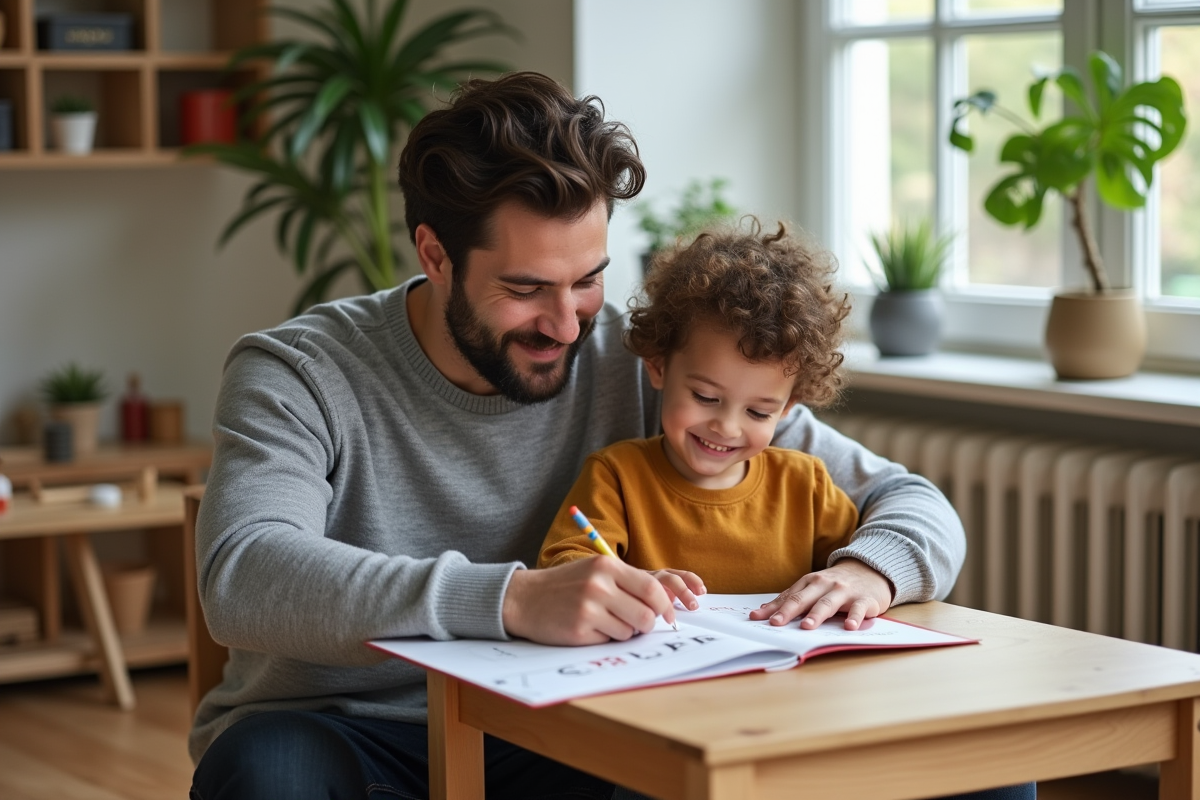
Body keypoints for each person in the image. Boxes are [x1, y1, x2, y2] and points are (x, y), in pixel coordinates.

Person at [189, 71, 1033, 800]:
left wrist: (868, 569)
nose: (567, 322)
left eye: (587, 279)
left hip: (575, 734)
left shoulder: (650, 366)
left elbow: (908, 500)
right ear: (435, 254)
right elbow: (244, 572)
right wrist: (513, 600)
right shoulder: (298, 370)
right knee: (269, 774)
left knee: (984, 762)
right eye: (526, 288)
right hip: (355, 735)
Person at [539, 221, 867, 629]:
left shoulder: (808, 486)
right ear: (657, 367)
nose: (727, 427)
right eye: (706, 398)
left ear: (788, 409)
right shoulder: (616, 476)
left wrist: (863, 576)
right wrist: (631, 583)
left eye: (759, 412)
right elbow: (563, 567)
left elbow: (856, 570)